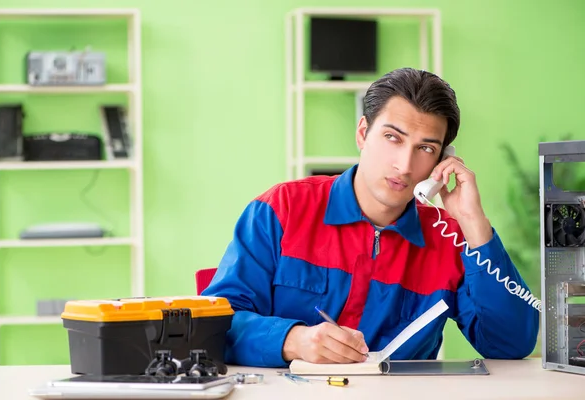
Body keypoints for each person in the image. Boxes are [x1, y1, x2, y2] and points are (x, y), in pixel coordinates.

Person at [202, 67, 540, 367]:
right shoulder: (281, 209)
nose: (404, 166)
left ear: (441, 162)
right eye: (392, 138)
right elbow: (214, 325)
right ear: (363, 133)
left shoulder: (450, 238)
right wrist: (293, 341)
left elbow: (510, 345)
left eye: (425, 148)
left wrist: (475, 225)